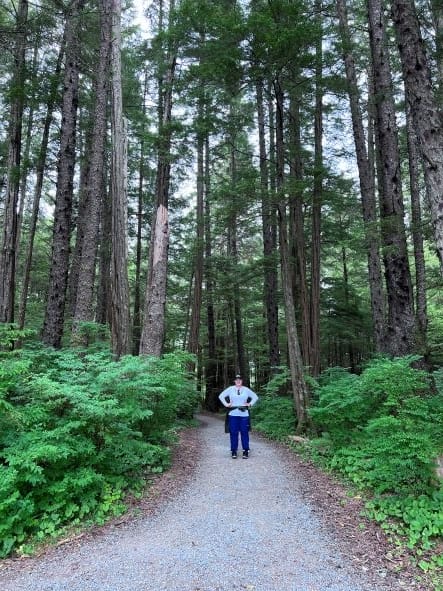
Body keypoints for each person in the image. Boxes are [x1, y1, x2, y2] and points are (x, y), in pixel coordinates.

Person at [218, 374, 259, 459]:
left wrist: (250, 404)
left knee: (244, 432)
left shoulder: (246, 390)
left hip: (244, 414)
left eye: (240, 379)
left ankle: (246, 451)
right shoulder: (230, 389)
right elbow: (221, 396)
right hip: (233, 414)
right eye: (237, 379)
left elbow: (255, 397)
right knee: (233, 433)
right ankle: (234, 451)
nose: (238, 381)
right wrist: (226, 404)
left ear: (242, 381)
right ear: (234, 381)